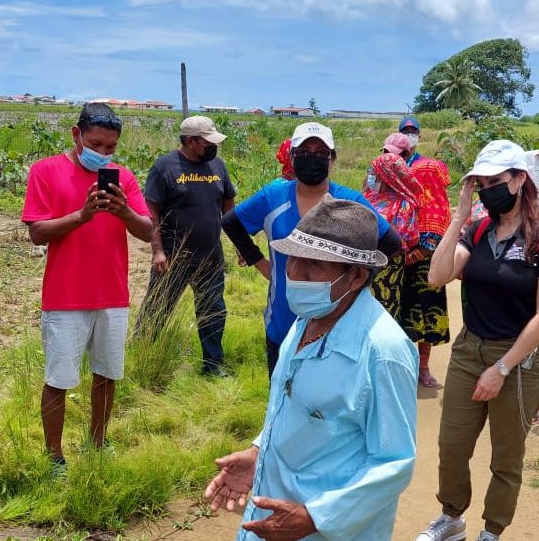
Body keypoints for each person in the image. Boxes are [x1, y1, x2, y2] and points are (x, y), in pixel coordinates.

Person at [205, 196, 417, 541]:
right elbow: (293, 403)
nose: (293, 272)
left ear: (356, 276)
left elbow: (395, 462)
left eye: (312, 264)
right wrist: (259, 451)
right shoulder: (307, 322)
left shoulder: (382, 350)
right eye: (291, 259)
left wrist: (315, 517)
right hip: (288, 531)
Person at [413, 140, 539, 541]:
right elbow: (437, 275)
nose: (485, 190)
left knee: (506, 454)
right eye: (479, 183)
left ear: (520, 180)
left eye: (494, 182)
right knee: (451, 445)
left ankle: (492, 533)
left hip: (518, 358)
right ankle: (451, 516)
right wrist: (459, 216)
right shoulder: (478, 231)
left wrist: (501, 369)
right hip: (469, 349)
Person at [22, 102, 152, 465]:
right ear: (76, 135)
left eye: (110, 147)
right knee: (59, 379)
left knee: (108, 374)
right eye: (96, 144)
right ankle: (54, 457)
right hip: (65, 297)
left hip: (112, 295)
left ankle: (98, 441)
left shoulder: (122, 177)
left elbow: (146, 230)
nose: (103, 153)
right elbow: (37, 233)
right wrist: (82, 215)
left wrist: (123, 209)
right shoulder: (45, 171)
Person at [221, 122, 401, 376]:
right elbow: (230, 222)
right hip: (283, 318)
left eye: (320, 153)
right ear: (292, 157)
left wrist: (357, 279)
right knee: (282, 393)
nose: (312, 158)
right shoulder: (273, 196)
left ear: (332, 160)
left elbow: (391, 242)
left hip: (336, 320)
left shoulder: (350, 202)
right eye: (304, 153)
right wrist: (261, 263)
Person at [137, 116, 236, 376]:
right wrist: (157, 250)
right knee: (157, 309)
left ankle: (213, 366)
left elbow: (228, 207)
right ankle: (140, 358)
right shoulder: (165, 167)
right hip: (173, 257)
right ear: (190, 141)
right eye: (207, 142)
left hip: (210, 256)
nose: (213, 147)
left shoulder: (218, 166)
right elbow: (152, 213)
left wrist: (238, 244)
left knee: (213, 311)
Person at [393, 129, 453, 388]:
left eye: (413, 131)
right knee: (398, 313)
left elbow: (437, 238)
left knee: (426, 314)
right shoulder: (394, 181)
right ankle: (401, 367)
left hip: (426, 264)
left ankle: (423, 367)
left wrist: (415, 255)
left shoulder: (437, 202)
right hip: (397, 261)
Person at [364, 152, 421, 325]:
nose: (370, 176)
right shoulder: (368, 196)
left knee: (383, 313)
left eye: (374, 173)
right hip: (361, 264)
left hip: (388, 267)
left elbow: (408, 238)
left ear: (387, 176)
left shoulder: (404, 204)